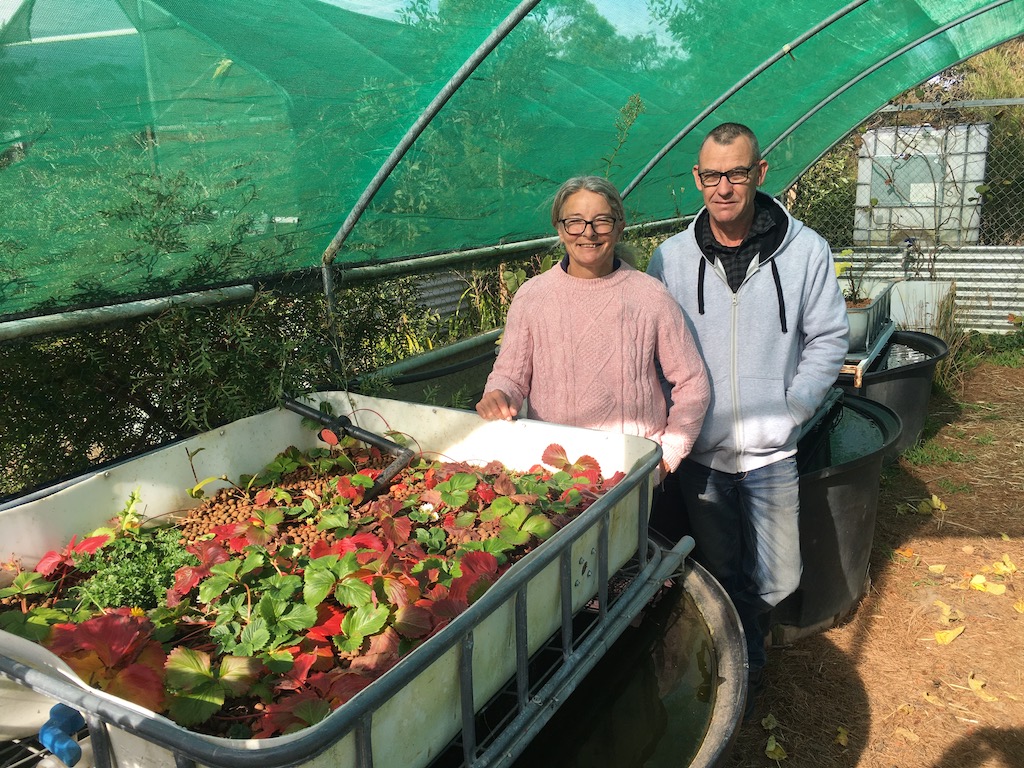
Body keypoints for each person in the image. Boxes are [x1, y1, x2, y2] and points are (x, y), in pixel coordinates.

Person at [646, 123, 849, 717]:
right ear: (696, 180)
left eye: (737, 173)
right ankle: (742, 672)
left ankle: (748, 646)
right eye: (713, 175)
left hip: (771, 451)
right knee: (719, 567)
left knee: (779, 574)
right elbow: (656, 348)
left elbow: (829, 337)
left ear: (761, 173)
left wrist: (793, 409)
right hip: (702, 454)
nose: (725, 187)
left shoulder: (804, 250)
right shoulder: (672, 258)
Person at [476, 175, 710, 482]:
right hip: (552, 469)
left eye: (601, 221)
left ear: (619, 225)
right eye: (575, 221)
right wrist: (498, 395)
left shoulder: (650, 296)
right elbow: (510, 376)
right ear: (559, 228)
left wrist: (666, 458)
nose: (588, 233)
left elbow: (693, 383)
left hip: (630, 470)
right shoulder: (533, 296)